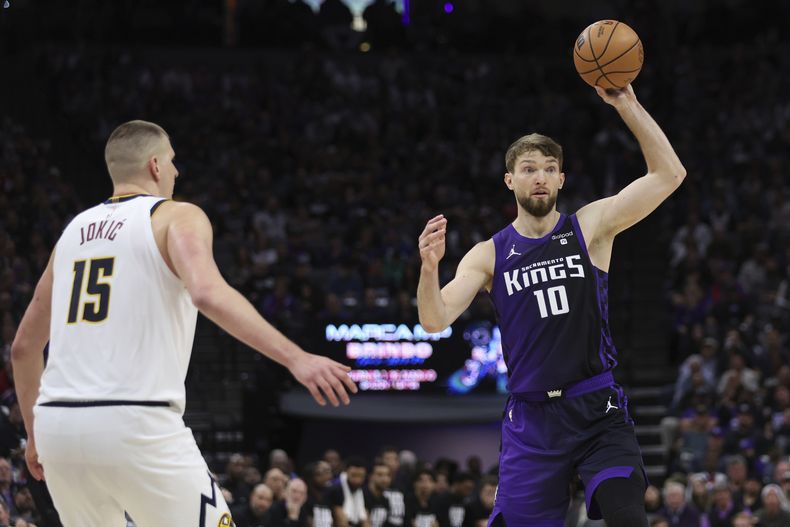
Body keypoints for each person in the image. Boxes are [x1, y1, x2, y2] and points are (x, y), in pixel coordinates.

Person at [10, 120, 357, 526]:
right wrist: (296, 357)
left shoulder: (70, 235)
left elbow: (23, 347)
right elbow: (207, 293)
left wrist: (35, 435)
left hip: (58, 427)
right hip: (136, 420)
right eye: (173, 161)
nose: (177, 171)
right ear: (156, 165)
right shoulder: (175, 216)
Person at [417, 85, 686, 527]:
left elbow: (669, 175)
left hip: (596, 408)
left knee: (627, 516)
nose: (539, 176)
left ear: (561, 179)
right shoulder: (489, 254)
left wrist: (627, 104)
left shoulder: (590, 228)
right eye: (528, 169)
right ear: (510, 181)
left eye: (549, 168)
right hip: (531, 422)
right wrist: (429, 269)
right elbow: (434, 319)